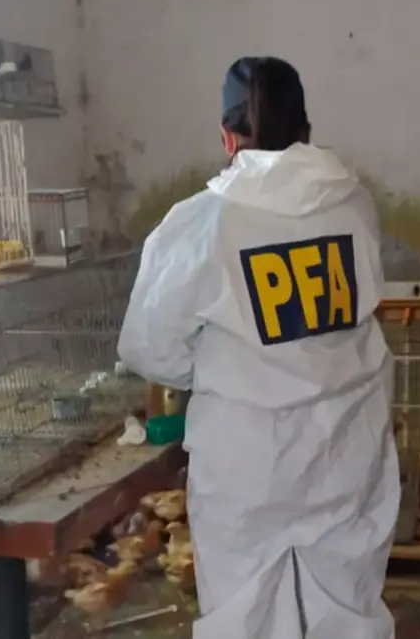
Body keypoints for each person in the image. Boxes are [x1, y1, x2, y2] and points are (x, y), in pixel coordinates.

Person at [117, 56, 399, 639]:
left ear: (227, 138)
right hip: (345, 450)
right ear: (306, 131)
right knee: (345, 604)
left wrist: (218, 365)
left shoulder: (201, 224)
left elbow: (148, 347)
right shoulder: (354, 204)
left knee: (243, 616)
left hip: (246, 465)